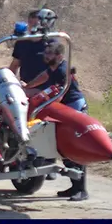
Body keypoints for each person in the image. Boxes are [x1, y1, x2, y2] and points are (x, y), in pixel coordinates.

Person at [25, 41, 90, 201]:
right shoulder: (53, 68)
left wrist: (39, 100)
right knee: (62, 148)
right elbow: (44, 76)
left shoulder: (63, 71)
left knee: (73, 147)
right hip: (63, 107)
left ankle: (81, 189)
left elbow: (58, 97)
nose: (46, 57)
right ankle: (74, 186)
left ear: (59, 56)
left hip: (73, 107)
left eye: (49, 54)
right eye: (45, 53)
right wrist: (28, 86)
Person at [9, 10, 52, 84]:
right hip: (25, 85)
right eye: (31, 23)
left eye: (36, 24)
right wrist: (8, 81)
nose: (33, 28)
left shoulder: (51, 43)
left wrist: (29, 86)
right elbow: (15, 64)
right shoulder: (21, 42)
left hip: (45, 88)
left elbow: (55, 69)